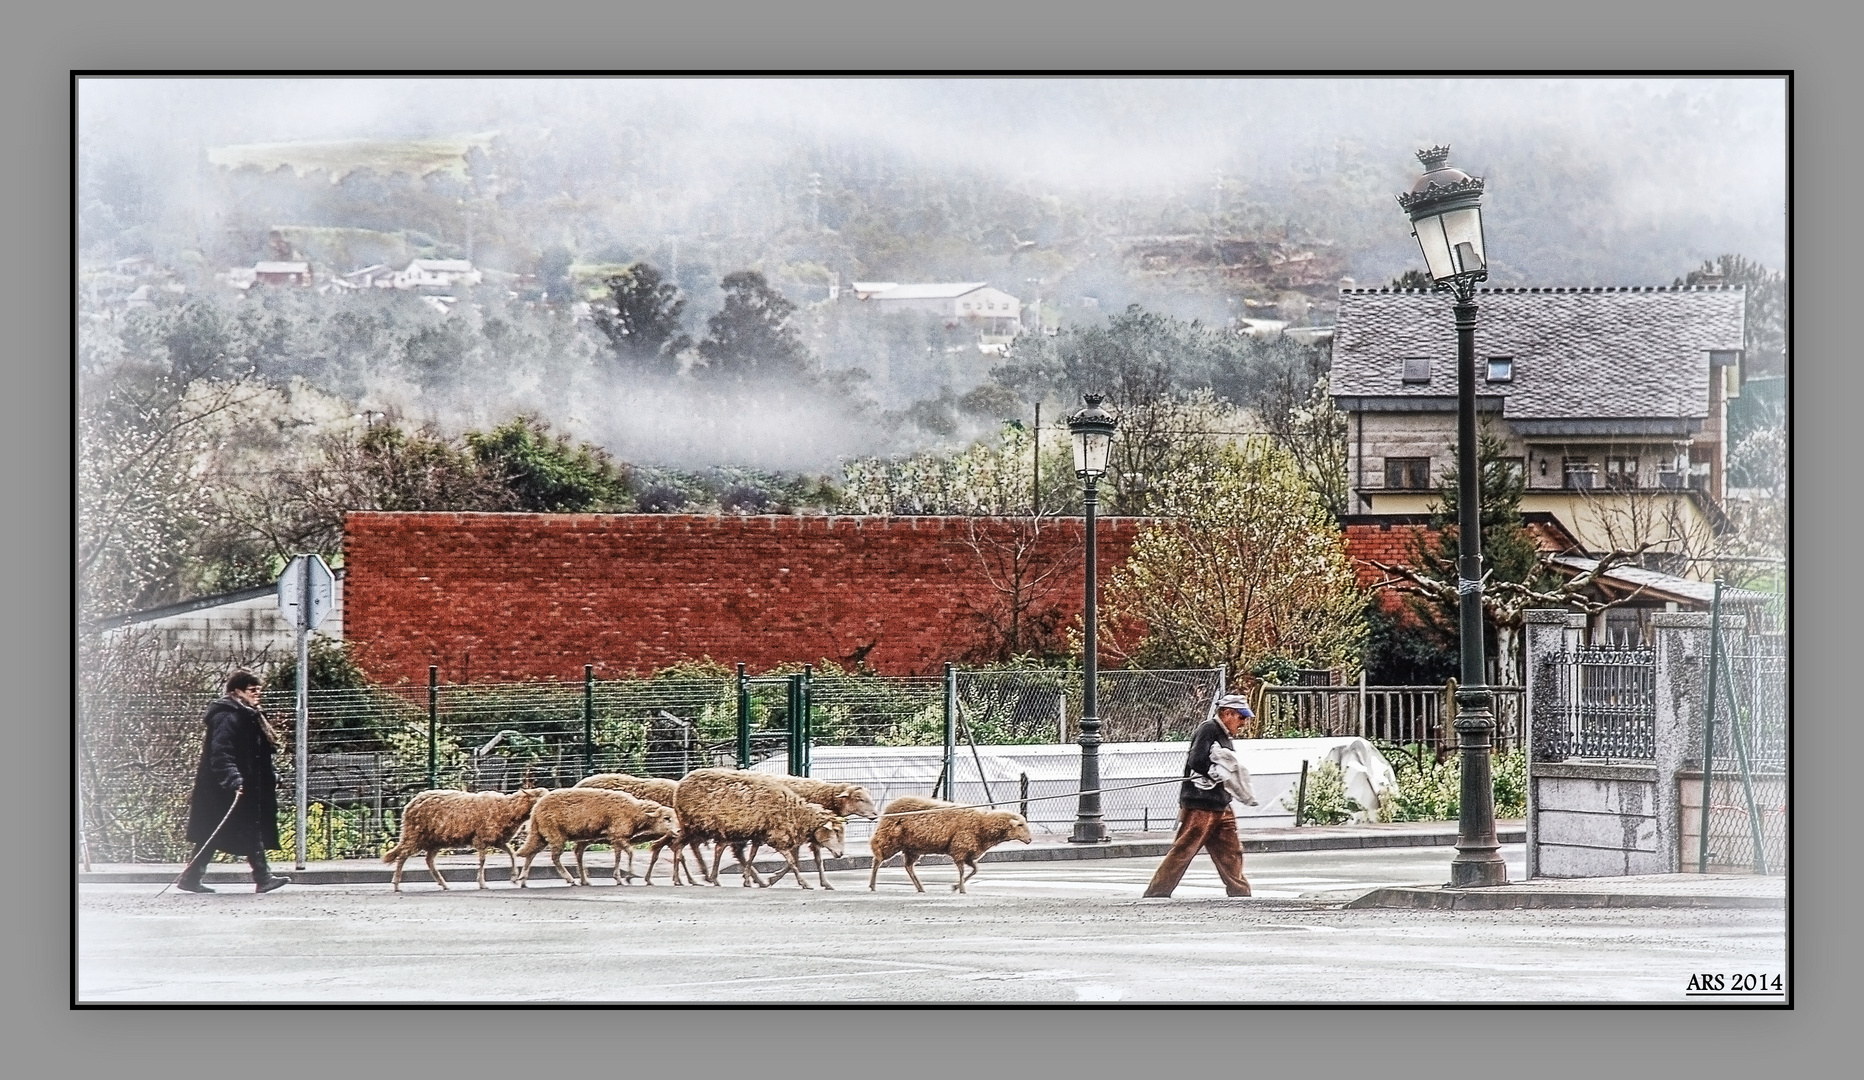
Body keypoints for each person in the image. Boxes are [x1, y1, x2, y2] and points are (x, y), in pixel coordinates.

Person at [176, 670, 291, 894]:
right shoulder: (228, 716)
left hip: (241, 785)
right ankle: (263, 877)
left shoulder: (248, 715)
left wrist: (271, 776)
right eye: (253, 690)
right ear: (237, 691)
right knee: (240, 830)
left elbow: (258, 754)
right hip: (225, 789)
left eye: (259, 690)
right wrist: (234, 779)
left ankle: (191, 877)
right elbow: (221, 754)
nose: (258, 694)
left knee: (216, 833)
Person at [1142, 693, 1255, 898]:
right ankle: (1156, 893)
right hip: (1201, 804)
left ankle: (1240, 892)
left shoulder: (1221, 734)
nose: (1244, 723)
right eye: (1241, 717)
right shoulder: (1209, 728)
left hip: (1220, 803)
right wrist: (1216, 772)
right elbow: (1197, 760)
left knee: (1231, 851)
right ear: (1227, 713)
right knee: (1184, 850)